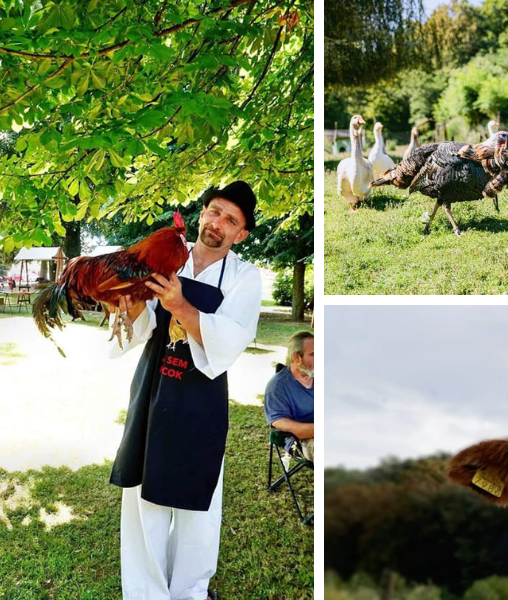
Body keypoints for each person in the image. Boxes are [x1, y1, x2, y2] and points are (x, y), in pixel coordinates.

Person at [110, 181, 263, 600]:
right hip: (155, 387)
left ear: (241, 234)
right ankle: (146, 594)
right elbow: (141, 329)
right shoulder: (167, 259)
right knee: (145, 500)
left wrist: (179, 305)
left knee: (198, 501)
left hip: (201, 398)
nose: (218, 223)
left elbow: (230, 339)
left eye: (231, 220)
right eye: (214, 211)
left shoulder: (245, 278)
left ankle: (191, 593)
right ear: (203, 214)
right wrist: (133, 308)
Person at [264, 331, 315, 462]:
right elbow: (282, 425)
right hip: (302, 441)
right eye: (314, 354)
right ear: (297, 357)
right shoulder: (277, 387)